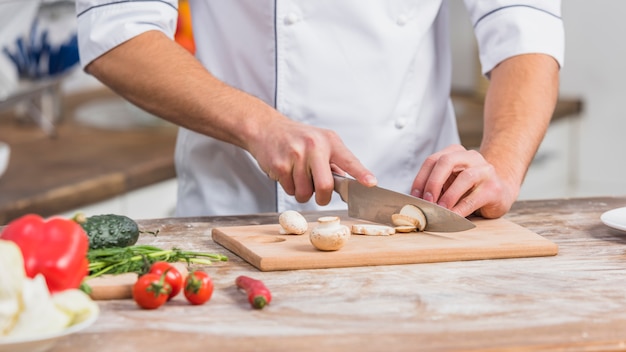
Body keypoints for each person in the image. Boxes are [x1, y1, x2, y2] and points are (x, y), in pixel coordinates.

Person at [74, 1, 564, 219]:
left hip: (416, 210)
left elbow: (523, 21)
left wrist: (501, 163)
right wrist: (259, 124)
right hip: (238, 212)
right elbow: (116, 27)